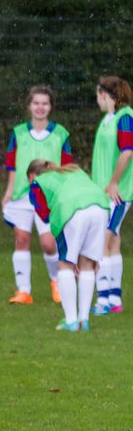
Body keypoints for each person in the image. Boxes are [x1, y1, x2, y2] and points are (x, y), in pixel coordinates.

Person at [1, 86, 71, 305]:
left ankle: (56, 283)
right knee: (22, 240)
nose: (40, 107)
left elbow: (67, 166)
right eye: (36, 103)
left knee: (49, 244)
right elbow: (12, 165)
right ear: (29, 106)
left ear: (51, 107)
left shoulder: (60, 133)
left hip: (49, 196)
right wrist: (9, 191)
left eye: (45, 103)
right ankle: (24, 291)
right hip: (23, 194)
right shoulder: (19, 132)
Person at [26, 160, 110, 331]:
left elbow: (49, 216)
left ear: (32, 176)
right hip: (101, 207)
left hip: (72, 210)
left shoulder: (38, 183)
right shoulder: (74, 170)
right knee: (88, 264)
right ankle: (83, 321)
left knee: (65, 265)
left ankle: (71, 321)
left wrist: (70, 257)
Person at [91, 75, 133, 315]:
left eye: (97, 94)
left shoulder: (124, 117)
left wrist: (114, 182)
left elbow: (127, 152)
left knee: (101, 242)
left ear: (104, 94)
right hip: (102, 193)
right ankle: (114, 299)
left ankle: (103, 300)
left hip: (117, 193)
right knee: (112, 241)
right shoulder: (107, 120)